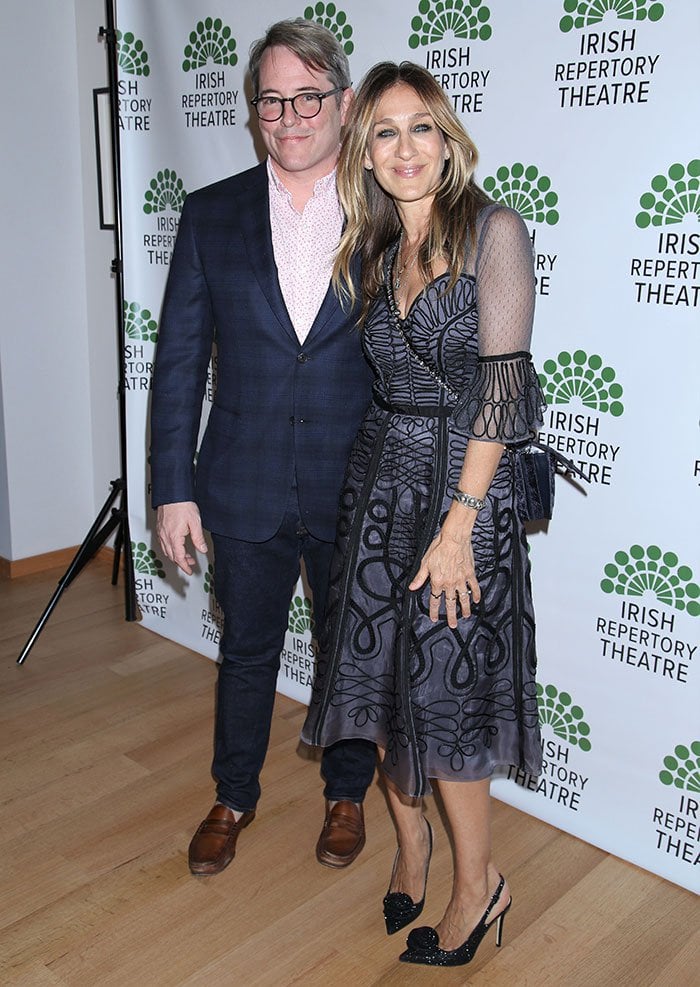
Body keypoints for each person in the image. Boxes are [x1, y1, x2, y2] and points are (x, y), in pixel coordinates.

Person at [302, 61, 546, 967]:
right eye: (385, 132)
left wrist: (458, 522)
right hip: (380, 485)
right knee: (372, 688)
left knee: (445, 696)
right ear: (365, 148)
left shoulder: (496, 233)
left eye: (421, 128)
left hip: (463, 499)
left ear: (447, 139)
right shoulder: (368, 247)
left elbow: (500, 390)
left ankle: (481, 888)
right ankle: (412, 843)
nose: (404, 149)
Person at [150, 18, 376, 878]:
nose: (290, 115)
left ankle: (347, 791)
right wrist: (172, 488)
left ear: (344, 104)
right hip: (238, 482)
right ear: (254, 111)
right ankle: (232, 793)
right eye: (272, 99)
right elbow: (176, 363)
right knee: (246, 648)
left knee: (347, 647)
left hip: (354, 483)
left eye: (308, 95)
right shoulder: (210, 215)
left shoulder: (389, 210)